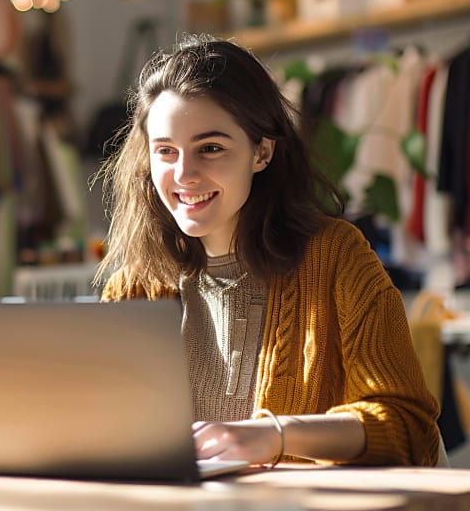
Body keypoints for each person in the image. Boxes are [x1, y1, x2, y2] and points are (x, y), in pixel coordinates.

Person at [94, 34, 442, 467]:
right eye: (166, 151)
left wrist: (277, 435)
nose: (184, 174)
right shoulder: (135, 285)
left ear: (262, 152)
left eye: (211, 149)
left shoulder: (336, 258)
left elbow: (409, 426)